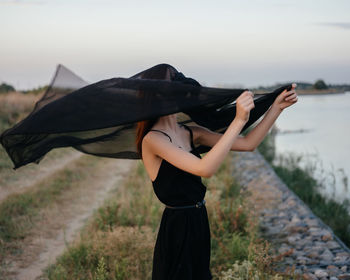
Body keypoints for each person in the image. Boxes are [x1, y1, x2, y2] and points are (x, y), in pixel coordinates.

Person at [136, 65, 298, 279]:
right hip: (177, 227)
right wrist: (239, 119)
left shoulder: (190, 132)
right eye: (173, 86)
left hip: (199, 219)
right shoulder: (153, 139)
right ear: (158, 95)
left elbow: (248, 143)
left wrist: (276, 108)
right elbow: (205, 169)